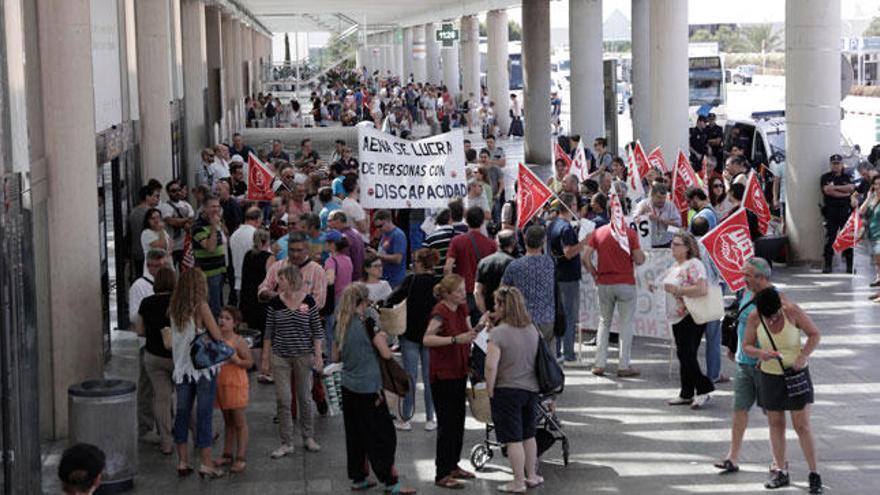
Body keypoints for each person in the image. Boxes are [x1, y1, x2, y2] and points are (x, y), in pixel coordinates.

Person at [333, 284, 418, 494]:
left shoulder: (340, 323)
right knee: (382, 435)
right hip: (369, 388)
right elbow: (386, 354)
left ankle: (359, 478)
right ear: (364, 302)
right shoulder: (368, 323)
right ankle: (391, 482)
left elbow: (335, 356)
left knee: (355, 434)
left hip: (348, 386)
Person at [742, 287, 823, 494]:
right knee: (775, 424)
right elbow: (747, 346)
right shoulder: (755, 317)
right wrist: (761, 353)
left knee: (801, 425)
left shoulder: (792, 311)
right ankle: (780, 470)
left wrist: (803, 356)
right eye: (767, 317)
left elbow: (814, 334)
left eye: (775, 315)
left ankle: (814, 473)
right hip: (770, 376)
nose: (771, 320)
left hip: (796, 375)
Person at [423, 274, 483, 489]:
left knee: (457, 422)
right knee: (447, 424)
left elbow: (469, 333)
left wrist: (479, 328)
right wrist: (455, 340)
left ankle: (453, 464)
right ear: (447, 294)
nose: (462, 293)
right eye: (458, 290)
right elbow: (427, 338)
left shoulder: (461, 308)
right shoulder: (440, 311)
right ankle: (442, 472)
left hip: (459, 371)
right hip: (443, 374)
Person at [714, 257, 772, 474]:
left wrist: (762, 356)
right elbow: (742, 321)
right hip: (743, 362)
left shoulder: (771, 298)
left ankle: (779, 461)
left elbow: (776, 330)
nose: (743, 278)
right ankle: (733, 456)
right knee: (739, 410)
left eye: (747, 274)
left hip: (763, 365)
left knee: (773, 416)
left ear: (761, 277)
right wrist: (733, 346)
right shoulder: (746, 293)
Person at [484, 286, 543, 493]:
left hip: (507, 390)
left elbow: (491, 365)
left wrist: (489, 389)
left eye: (496, 304)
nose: (493, 308)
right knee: (529, 435)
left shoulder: (498, 334)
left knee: (513, 439)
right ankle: (532, 475)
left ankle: (517, 482)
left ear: (503, 306)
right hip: (531, 389)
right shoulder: (532, 329)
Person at [168, 268, 225, 479]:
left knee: (182, 413)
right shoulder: (201, 306)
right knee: (204, 414)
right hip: (202, 370)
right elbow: (217, 336)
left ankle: (182, 461)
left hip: (182, 368)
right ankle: (206, 463)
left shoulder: (174, 307)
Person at [263, 265, 324, 458]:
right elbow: (268, 332)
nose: (277, 282)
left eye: (280, 279)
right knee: (283, 399)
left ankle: (308, 436)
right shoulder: (275, 303)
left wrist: (318, 354)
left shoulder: (308, 301)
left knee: (305, 397)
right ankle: (287, 442)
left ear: (290, 280)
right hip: (280, 355)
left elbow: (317, 329)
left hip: (303, 355)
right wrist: (265, 358)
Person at [584, 212, 645, 377]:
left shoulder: (599, 232)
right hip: (625, 283)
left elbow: (585, 257)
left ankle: (599, 363)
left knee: (604, 322)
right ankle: (623, 365)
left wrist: (594, 274)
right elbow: (639, 259)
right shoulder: (630, 234)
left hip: (604, 282)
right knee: (626, 324)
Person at [385, 248, 441, 432]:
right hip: (431, 335)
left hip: (410, 334)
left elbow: (392, 298)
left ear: (420, 263)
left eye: (415, 261)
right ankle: (430, 418)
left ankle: (406, 418)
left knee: (409, 377)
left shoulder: (411, 280)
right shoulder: (438, 283)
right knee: (429, 377)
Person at [662, 232, 715, 409]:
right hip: (678, 315)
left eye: (676, 244)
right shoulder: (675, 265)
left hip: (692, 313)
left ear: (687, 247)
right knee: (683, 353)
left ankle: (703, 388)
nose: (672, 247)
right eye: (672, 244)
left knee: (688, 353)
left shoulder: (695, 264)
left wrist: (678, 290)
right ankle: (686, 392)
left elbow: (701, 289)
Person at [136, 266, 176, 454]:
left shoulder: (146, 302)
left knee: (162, 398)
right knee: (187, 395)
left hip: (153, 356)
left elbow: (140, 331)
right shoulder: (178, 302)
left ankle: (165, 441)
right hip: (177, 357)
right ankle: (200, 434)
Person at [130, 249, 167, 443]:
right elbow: (135, 317)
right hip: (148, 344)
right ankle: (145, 427)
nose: (162, 269)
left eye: (164, 265)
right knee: (146, 388)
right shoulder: (139, 286)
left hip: (165, 344)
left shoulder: (166, 284)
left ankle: (165, 427)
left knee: (164, 391)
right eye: (158, 266)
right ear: (150, 265)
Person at [547, 193, 588, 362]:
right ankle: (569, 353)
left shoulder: (552, 224)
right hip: (568, 277)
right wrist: (584, 242)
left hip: (556, 274)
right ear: (570, 206)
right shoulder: (565, 227)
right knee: (569, 316)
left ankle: (556, 351)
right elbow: (569, 252)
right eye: (575, 205)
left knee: (558, 314)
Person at [213, 306, 253, 474]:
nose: (222, 321)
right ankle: (227, 453)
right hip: (220, 385)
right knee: (228, 421)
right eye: (221, 317)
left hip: (236, 384)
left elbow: (249, 362)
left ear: (235, 323)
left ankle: (241, 456)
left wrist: (236, 361)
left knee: (239, 422)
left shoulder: (238, 341)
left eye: (227, 318)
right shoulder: (215, 339)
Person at [501, 225, 556, 344]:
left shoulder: (514, 266)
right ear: (543, 242)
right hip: (547, 318)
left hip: (522, 319)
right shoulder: (549, 262)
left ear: (525, 241)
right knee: (546, 358)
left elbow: (502, 291)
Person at [444, 206, 497, 325]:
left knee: (462, 331)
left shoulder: (457, 241)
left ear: (466, 220)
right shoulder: (491, 244)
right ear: (483, 221)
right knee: (481, 333)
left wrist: (450, 288)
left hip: (462, 293)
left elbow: (447, 268)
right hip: (482, 294)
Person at [239, 228, 275, 383]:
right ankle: (265, 369)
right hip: (262, 300)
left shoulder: (248, 255)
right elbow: (270, 279)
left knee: (252, 334)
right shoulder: (269, 257)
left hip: (247, 298)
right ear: (267, 241)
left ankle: (251, 363)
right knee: (266, 335)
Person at [192, 195, 227, 317]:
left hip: (220, 270)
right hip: (208, 274)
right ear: (204, 208)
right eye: (212, 206)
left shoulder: (217, 221)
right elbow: (210, 248)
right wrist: (213, 227)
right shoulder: (197, 227)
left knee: (219, 305)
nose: (216, 209)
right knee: (213, 309)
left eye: (218, 206)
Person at [821, 154, 856, 273]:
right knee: (830, 238)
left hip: (845, 211)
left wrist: (834, 188)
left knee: (847, 237)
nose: (836, 166)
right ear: (831, 165)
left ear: (842, 164)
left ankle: (850, 265)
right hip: (831, 211)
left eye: (838, 163)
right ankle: (828, 264)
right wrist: (844, 191)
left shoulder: (848, 176)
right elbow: (828, 191)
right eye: (834, 164)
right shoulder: (825, 177)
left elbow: (851, 188)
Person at [323, 230, 354, 357]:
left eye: (327, 242)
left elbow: (330, 280)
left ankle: (331, 361)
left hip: (334, 300)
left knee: (331, 332)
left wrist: (320, 277)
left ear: (333, 244)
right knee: (344, 331)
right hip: (347, 298)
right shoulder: (348, 259)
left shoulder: (331, 261)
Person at [475, 230, 517, 317]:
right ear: (513, 243)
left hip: (488, 312)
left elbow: (477, 291)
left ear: (497, 242)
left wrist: (485, 314)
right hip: (507, 315)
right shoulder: (513, 263)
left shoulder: (483, 262)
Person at [229, 207, 262, 305]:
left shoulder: (234, 235)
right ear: (258, 219)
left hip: (238, 281)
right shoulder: (256, 235)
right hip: (253, 282)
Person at [634, 184, 683, 249]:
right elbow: (633, 222)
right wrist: (642, 215)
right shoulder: (643, 205)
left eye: (664, 198)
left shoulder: (670, 206)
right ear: (652, 196)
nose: (662, 200)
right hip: (649, 243)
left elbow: (677, 226)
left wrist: (659, 219)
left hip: (667, 242)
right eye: (659, 197)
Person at [160, 180, 195, 267]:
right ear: (168, 193)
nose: (177, 192)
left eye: (179, 190)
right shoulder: (165, 207)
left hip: (185, 245)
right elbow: (172, 222)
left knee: (186, 271)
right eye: (174, 191)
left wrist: (180, 221)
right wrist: (186, 220)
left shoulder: (186, 205)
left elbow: (192, 221)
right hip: (171, 246)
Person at [370, 209, 408, 288]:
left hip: (394, 280)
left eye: (380, 226)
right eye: (377, 227)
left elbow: (398, 259)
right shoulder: (385, 234)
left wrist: (377, 255)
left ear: (388, 221)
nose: (379, 229)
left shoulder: (398, 235)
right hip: (385, 278)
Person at [860, 174, 880, 298]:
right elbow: (861, 211)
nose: (878, 187)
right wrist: (868, 198)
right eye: (876, 184)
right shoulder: (872, 199)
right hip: (872, 234)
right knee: (877, 264)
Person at [424, 208, 456, 276]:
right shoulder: (459, 236)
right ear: (450, 220)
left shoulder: (430, 238)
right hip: (456, 280)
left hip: (435, 278)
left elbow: (423, 259)